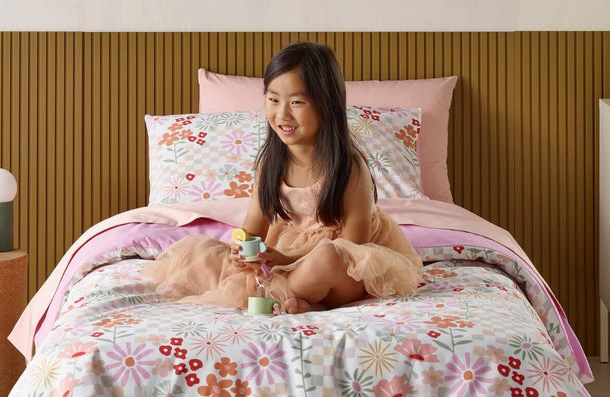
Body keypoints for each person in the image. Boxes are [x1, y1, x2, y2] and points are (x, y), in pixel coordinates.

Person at [145, 41, 422, 314]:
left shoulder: (349, 167)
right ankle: (304, 301)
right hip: (284, 260)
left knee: (327, 258)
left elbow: (354, 249)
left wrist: (287, 261)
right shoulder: (271, 164)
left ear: (326, 104)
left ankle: (277, 292)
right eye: (273, 99)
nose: (282, 113)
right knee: (202, 252)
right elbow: (253, 228)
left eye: (297, 102)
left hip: (342, 270)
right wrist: (242, 252)